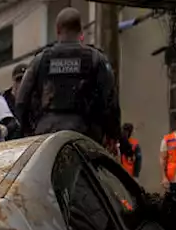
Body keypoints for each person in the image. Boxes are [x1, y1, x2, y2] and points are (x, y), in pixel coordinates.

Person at [15, 7, 120, 150]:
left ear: (57, 30)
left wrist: (29, 131)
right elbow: (110, 103)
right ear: (81, 30)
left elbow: (21, 102)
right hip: (86, 139)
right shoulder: (97, 59)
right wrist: (112, 135)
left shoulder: (40, 60)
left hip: (46, 138)